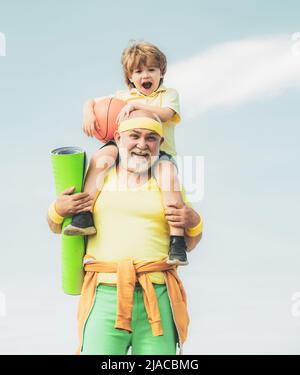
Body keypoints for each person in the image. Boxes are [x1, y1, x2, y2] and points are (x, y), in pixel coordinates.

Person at [47, 110, 203, 355]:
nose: (142, 144)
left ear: (160, 144)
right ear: (118, 139)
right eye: (135, 136)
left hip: (157, 296)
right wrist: (57, 209)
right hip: (104, 294)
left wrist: (194, 221)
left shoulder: (168, 183)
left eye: (151, 138)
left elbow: (189, 243)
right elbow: (58, 226)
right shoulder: (98, 178)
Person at [63, 41, 189, 265]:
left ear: (162, 73)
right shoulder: (123, 96)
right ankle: (85, 214)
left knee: (169, 176)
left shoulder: (167, 94)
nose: (145, 75)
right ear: (130, 77)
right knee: (101, 158)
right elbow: (92, 101)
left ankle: (177, 240)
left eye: (151, 69)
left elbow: (167, 114)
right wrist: (88, 113)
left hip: (157, 153)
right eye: (138, 71)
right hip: (125, 150)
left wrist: (138, 107)